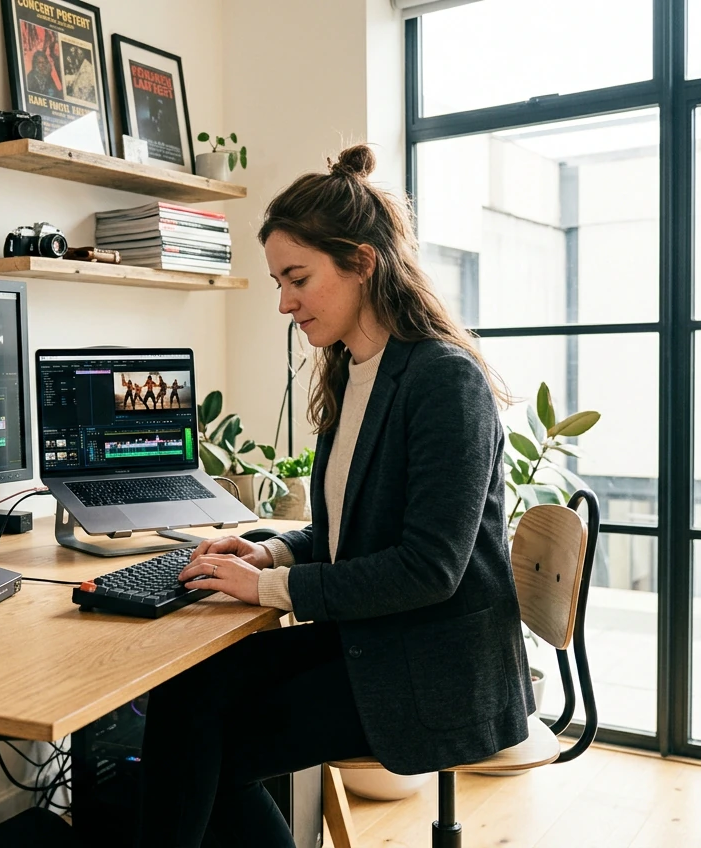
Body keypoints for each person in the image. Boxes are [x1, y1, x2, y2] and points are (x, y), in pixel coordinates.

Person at [137, 145, 534, 848]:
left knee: (207, 743)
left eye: (298, 278)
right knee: (186, 696)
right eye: (278, 282)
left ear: (362, 263)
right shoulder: (352, 371)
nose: (284, 302)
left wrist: (269, 589)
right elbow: (349, 534)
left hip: (432, 666)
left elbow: (428, 569)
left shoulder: (445, 381)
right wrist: (267, 553)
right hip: (375, 638)